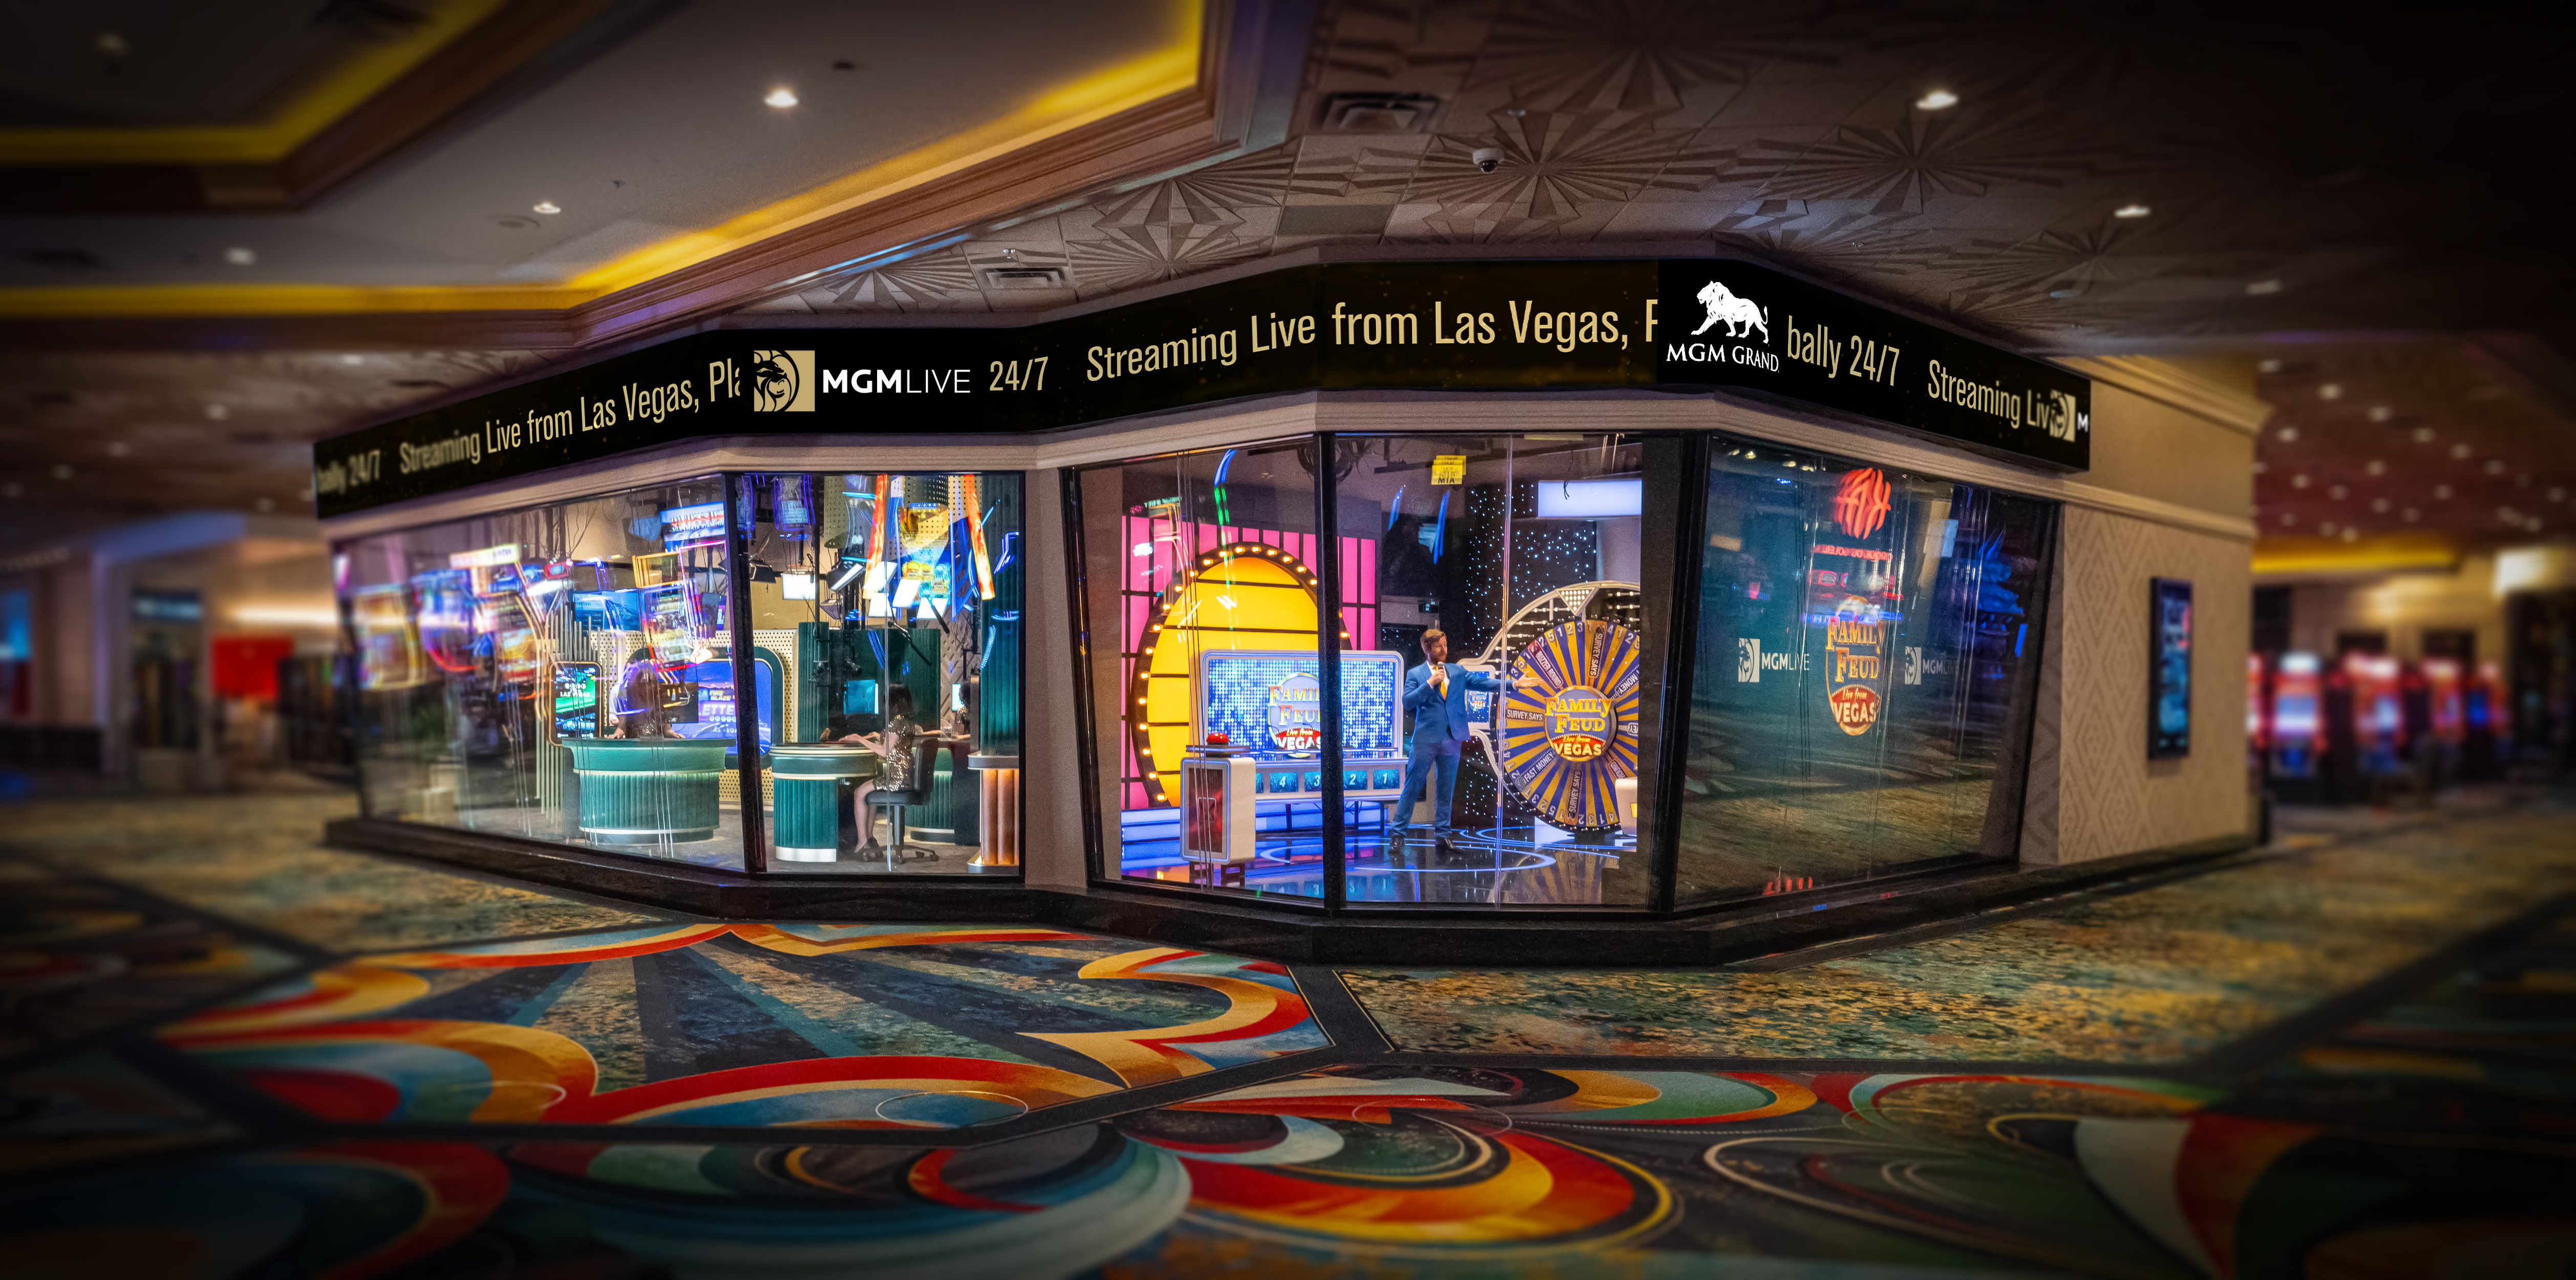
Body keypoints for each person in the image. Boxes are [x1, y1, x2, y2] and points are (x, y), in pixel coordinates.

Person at [1396, 628, 1537, 842]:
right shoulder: (1416, 674)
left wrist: (1514, 684)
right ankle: (1398, 835)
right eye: (1438, 646)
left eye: (1445, 644)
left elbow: (1485, 684)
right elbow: (1408, 702)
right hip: (1425, 739)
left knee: (1446, 790)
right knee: (1412, 787)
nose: (1444, 650)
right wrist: (1430, 683)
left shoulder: (1457, 671)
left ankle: (1443, 836)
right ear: (1426, 648)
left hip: (1452, 738)